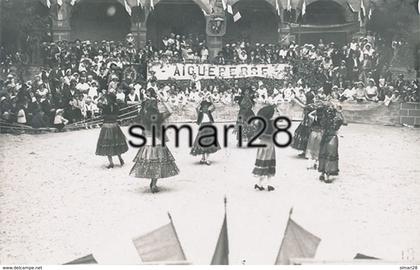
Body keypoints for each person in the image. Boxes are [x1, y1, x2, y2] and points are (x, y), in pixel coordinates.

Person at [129, 88, 179, 193]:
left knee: (150, 161)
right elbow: (170, 111)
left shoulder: (144, 114)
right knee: (158, 161)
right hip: (157, 139)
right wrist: (162, 99)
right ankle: (154, 183)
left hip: (148, 139)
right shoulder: (159, 116)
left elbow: (138, 118)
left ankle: (153, 183)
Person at [95, 92, 128, 168]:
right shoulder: (116, 106)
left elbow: (98, 104)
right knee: (116, 143)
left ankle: (111, 163)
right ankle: (120, 158)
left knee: (107, 144)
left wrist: (101, 99)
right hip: (115, 125)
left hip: (107, 125)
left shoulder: (106, 106)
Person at [190, 96, 221, 165]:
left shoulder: (209, 112)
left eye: (206, 107)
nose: (205, 108)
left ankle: (207, 158)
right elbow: (196, 108)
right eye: (204, 107)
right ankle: (203, 158)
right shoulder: (200, 113)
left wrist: (212, 101)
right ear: (202, 108)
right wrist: (201, 101)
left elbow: (215, 107)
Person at [252, 105, 276, 192]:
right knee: (270, 165)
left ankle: (259, 184)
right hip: (270, 145)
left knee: (262, 164)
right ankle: (269, 184)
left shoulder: (260, 123)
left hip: (262, 144)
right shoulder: (272, 123)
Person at [318, 105, 344, 183]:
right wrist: (340, 112)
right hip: (332, 137)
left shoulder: (323, 121)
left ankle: (322, 173)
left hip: (324, 137)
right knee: (330, 156)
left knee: (323, 155)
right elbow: (343, 121)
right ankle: (327, 176)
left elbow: (322, 127)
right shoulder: (337, 120)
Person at [305, 104, 324, 170]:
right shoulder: (323, 119)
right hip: (320, 133)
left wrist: (315, 111)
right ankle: (316, 162)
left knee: (310, 148)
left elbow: (309, 115)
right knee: (318, 148)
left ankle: (309, 164)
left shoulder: (314, 118)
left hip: (313, 133)